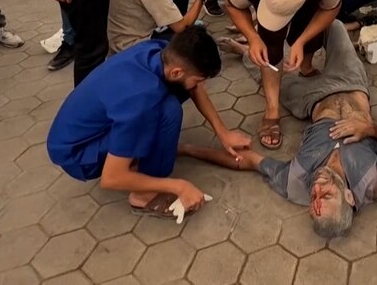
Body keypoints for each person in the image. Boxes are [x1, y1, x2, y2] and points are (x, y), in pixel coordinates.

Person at [180, 20, 377, 237]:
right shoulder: (372, 181)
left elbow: (248, 161)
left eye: (313, 198)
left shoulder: (296, 182)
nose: (317, 188)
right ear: (349, 197)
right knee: (334, 25)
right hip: (351, 82)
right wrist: (369, 130)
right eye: (327, 195)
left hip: (309, 99)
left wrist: (187, 149)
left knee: (268, 72)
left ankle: (244, 49)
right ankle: (291, 45)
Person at [47, 26, 251, 218]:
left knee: (172, 101)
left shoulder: (160, 50)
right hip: (78, 155)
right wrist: (179, 186)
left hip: (80, 131)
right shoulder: (140, 100)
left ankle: (133, 157)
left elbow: (194, 88)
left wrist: (223, 133)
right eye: (200, 79)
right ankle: (142, 196)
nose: (202, 85)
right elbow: (111, 179)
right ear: (177, 72)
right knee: (164, 110)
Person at [225, 0, 342, 150]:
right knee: (270, 42)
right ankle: (272, 110)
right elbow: (233, 6)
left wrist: (302, 40)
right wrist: (252, 37)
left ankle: (306, 65)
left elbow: (331, 8)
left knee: (309, 21)